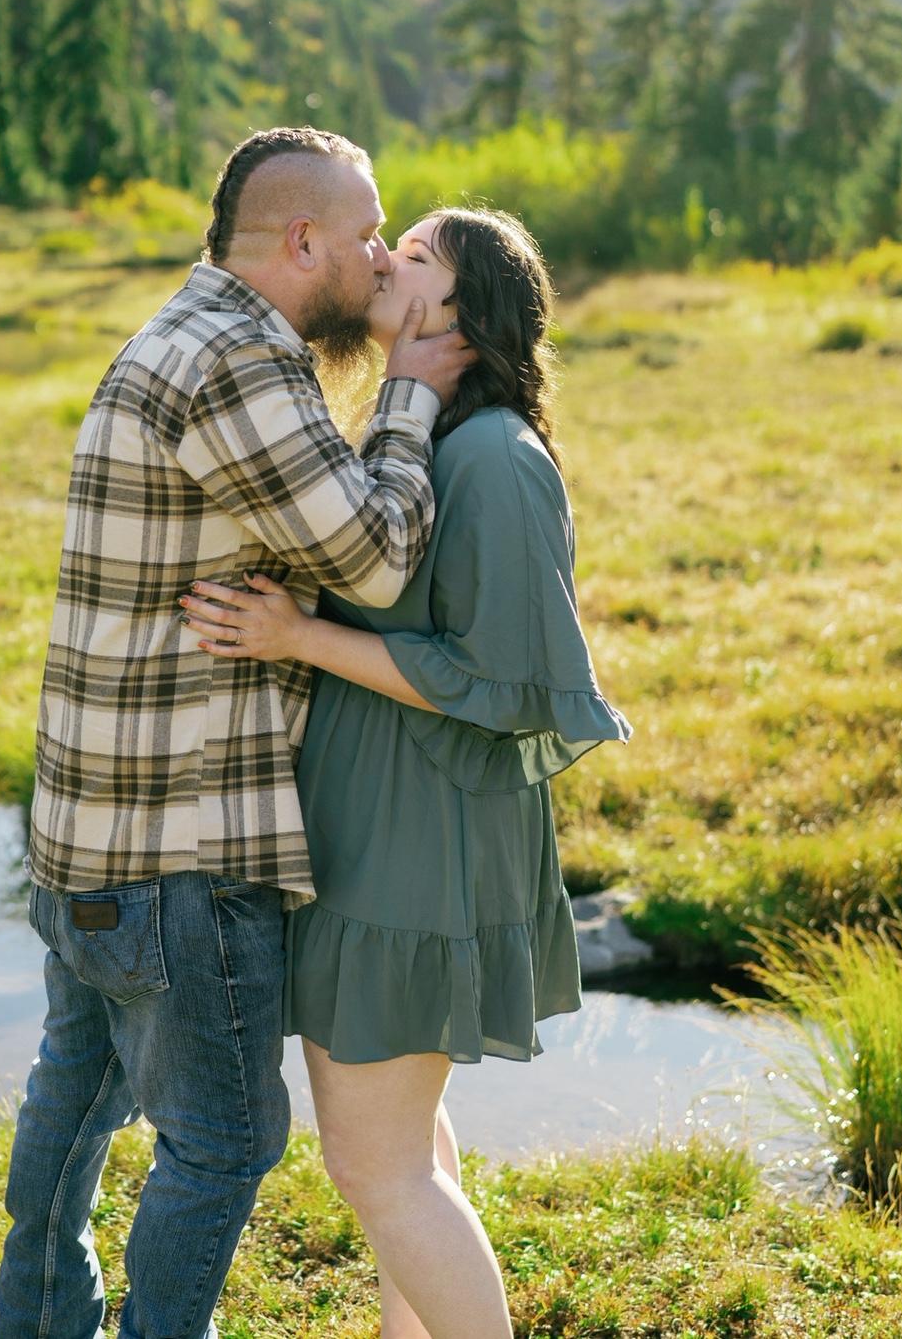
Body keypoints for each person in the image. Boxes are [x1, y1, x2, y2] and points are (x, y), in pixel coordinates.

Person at [0, 127, 473, 1339]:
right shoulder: (239, 360)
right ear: (303, 239)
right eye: (367, 234)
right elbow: (375, 556)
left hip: (86, 839)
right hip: (182, 854)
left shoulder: (181, 329)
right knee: (225, 1140)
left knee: (76, 1101)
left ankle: (38, 1321)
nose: (380, 259)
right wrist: (412, 392)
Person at [180, 208, 632, 1339]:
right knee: (405, 1142)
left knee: (374, 1164)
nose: (384, 258)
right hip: (378, 829)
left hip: (422, 841)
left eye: (417, 255)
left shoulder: (496, 460)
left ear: (464, 317)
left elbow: (505, 680)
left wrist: (299, 637)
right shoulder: (424, 433)